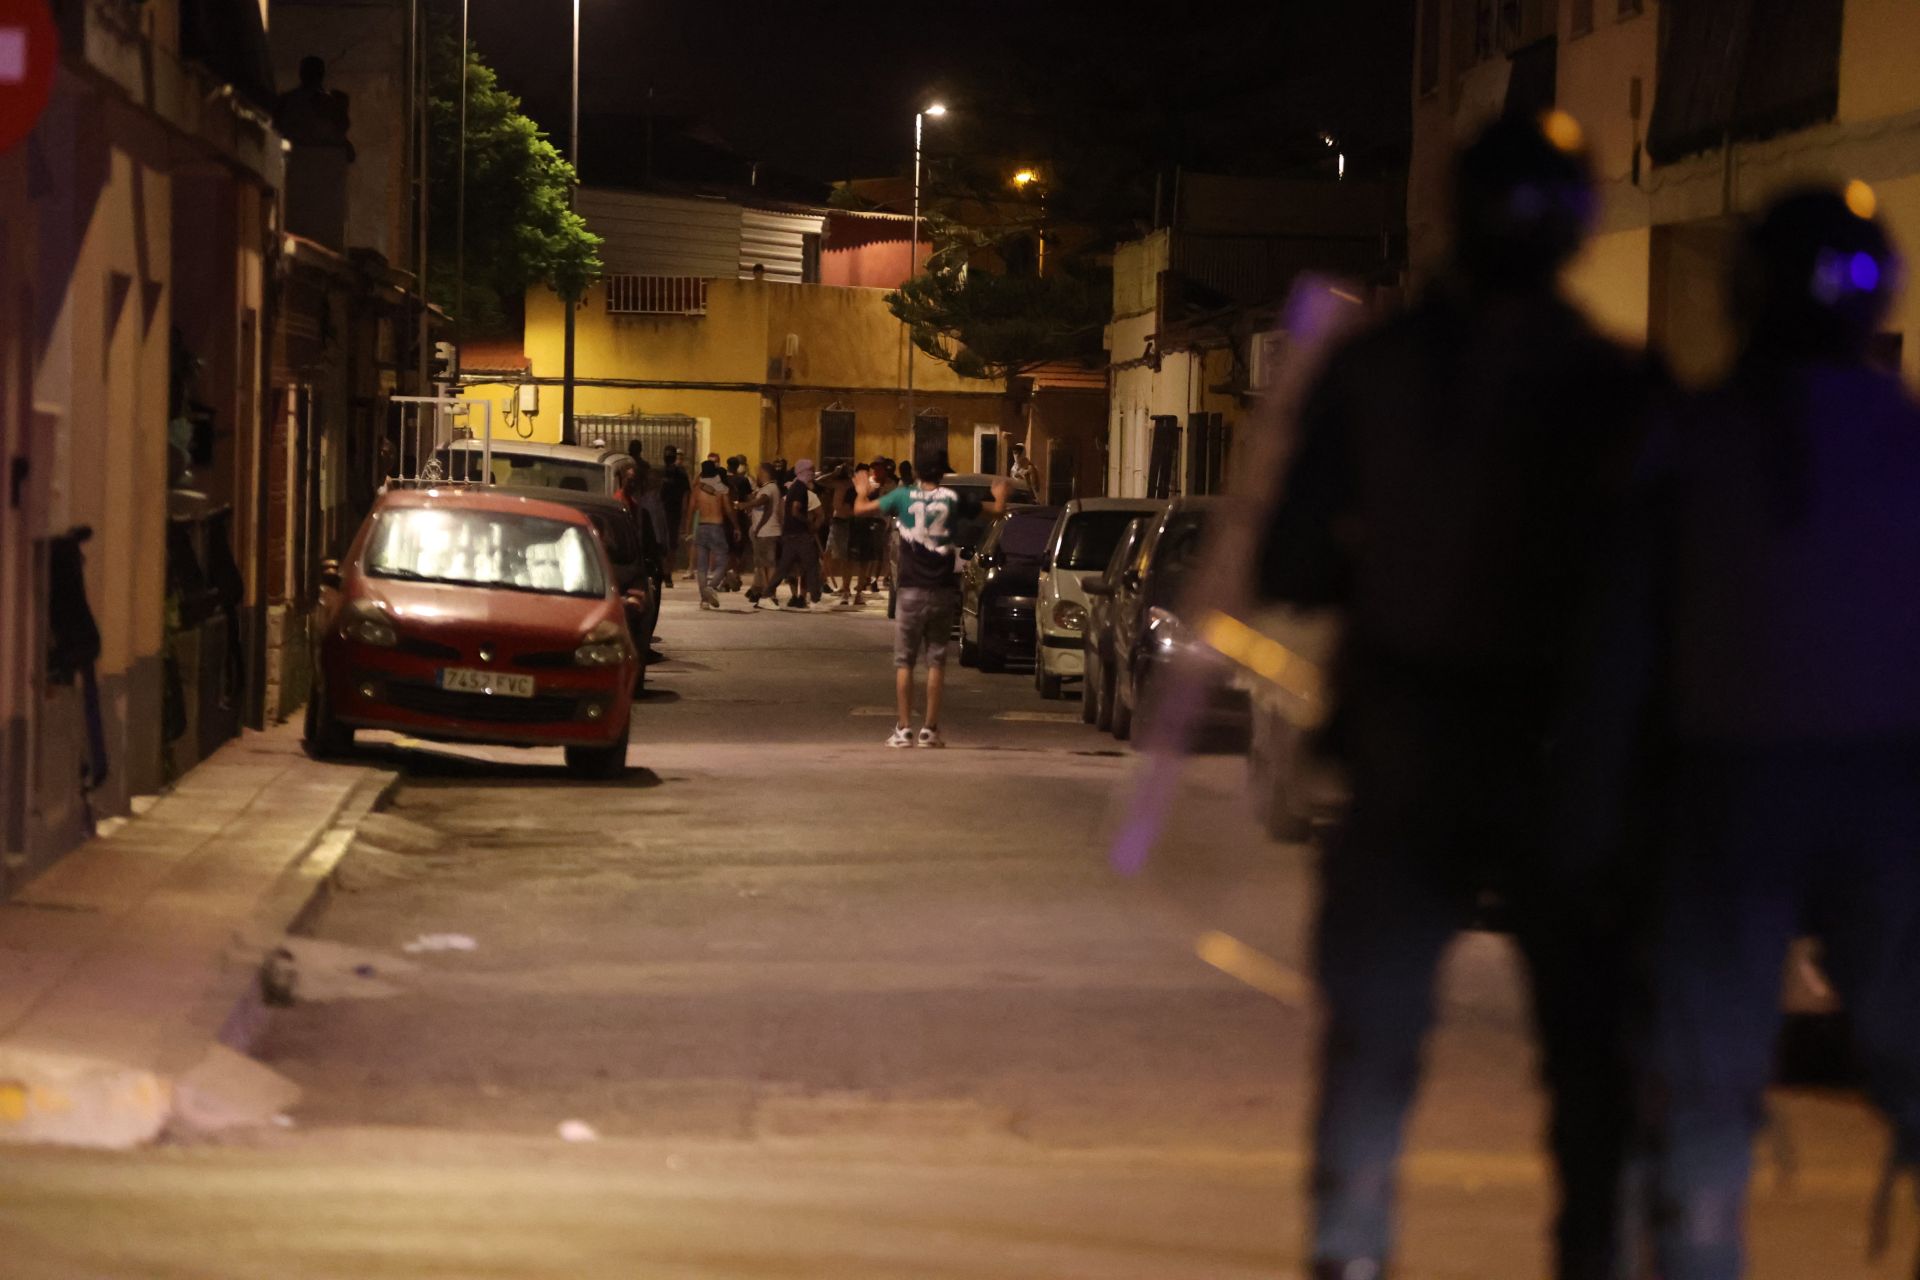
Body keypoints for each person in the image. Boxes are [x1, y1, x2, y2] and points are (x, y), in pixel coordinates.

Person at [1255, 113, 1658, 1280]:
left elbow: (1286, 560)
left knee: (1375, 1043)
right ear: (1578, 225)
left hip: (1404, 741)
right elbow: (1659, 582)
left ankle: (1349, 1253)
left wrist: (1384, 565)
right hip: (1565, 753)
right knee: (1588, 1051)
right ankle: (1592, 1251)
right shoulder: (1612, 379)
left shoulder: (1373, 368)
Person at [1586, 186, 1920, 1280]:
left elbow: (1620, 645)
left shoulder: (1684, 440)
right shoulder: (1903, 438)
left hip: (1726, 793)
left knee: (1701, 1097)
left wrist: (1591, 812)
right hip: (1885, 795)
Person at [854, 452, 1009, 748]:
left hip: (910, 590)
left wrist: (862, 492)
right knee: (936, 661)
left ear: (915, 473)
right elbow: (997, 511)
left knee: (905, 663)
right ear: (942, 475)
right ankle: (930, 729)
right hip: (942, 590)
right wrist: (999, 494)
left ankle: (903, 729)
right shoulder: (952, 499)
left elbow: (861, 509)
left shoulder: (901, 496)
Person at [772, 459, 824, 608]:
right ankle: (808, 598)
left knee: (786, 568)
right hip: (801, 535)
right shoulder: (804, 492)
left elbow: (781, 514)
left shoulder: (789, 493)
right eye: (811, 471)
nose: (813, 474)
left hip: (789, 534)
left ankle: (771, 593)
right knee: (809, 567)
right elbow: (819, 514)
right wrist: (811, 525)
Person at [688, 459, 735, 609]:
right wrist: (737, 526)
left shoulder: (697, 490)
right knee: (724, 561)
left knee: (701, 567)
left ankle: (704, 600)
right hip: (716, 527)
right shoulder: (721, 489)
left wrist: (687, 529)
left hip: (701, 527)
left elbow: (690, 511)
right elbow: (728, 509)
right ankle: (712, 587)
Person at [744, 463, 783, 607]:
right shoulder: (770, 488)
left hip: (766, 532)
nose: (757, 475)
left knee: (768, 564)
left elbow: (764, 502)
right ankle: (767, 593)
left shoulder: (769, 488)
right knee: (765, 564)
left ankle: (770, 594)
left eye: (759, 472)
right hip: (767, 531)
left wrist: (746, 505)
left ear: (764, 473)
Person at [658, 445, 691, 585]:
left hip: (665, 512)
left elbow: (685, 495)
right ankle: (667, 573)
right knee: (669, 544)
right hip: (668, 512)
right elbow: (686, 495)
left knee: (667, 544)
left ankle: (666, 573)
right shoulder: (676, 473)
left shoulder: (662, 472)